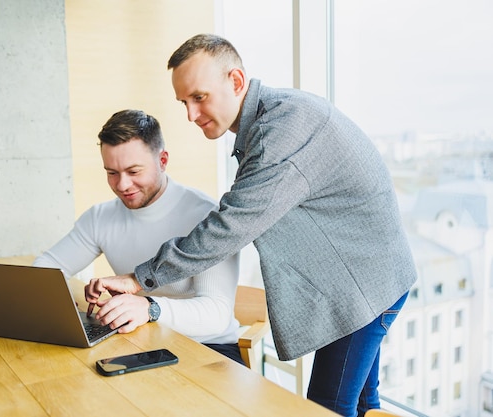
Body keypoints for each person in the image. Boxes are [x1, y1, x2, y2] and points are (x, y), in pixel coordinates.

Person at [84, 35, 417, 417]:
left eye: (199, 97)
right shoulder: (274, 119)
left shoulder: (285, 129)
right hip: (366, 281)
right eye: (184, 103)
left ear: (237, 82)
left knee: (327, 409)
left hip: (364, 288)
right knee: (363, 405)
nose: (191, 115)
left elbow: (232, 224)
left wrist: (138, 279)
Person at [33, 109, 243, 364]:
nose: (122, 185)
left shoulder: (207, 216)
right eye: (112, 172)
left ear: (162, 160)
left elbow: (216, 314)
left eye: (134, 171)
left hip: (209, 350)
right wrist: (65, 311)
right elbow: (44, 270)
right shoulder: (100, 217)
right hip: (142, 343)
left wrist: (150, 308)